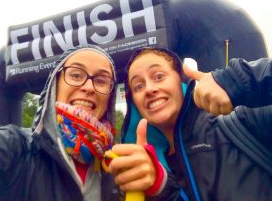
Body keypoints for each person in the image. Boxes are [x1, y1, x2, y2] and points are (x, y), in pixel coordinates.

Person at [108, 47, 272, 201]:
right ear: (135, 104)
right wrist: (161, 189)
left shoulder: (240, 122)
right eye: (138, 86)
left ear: (182, 82)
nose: (149, 89)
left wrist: (238, 80)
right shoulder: (147, 172)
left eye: (159, 76)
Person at [0, 45, 119, 201]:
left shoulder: (115, 167)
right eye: (76, 75)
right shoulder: (14, 145)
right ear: (54, 86)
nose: (89, 87)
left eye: (102, 80)